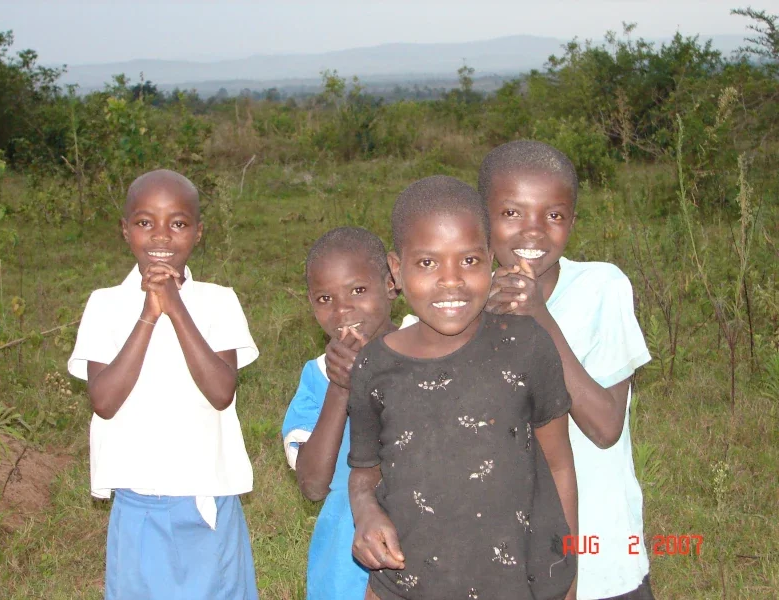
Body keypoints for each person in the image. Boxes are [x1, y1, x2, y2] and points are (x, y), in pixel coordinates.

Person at [348, 175, 578, 600]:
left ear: (491, 260)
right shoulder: (374, 366)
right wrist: (364, 513)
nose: (451, 281)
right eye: (428, 263)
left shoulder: (526, 345)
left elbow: (560, 464)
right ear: (396, 271)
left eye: (469, 261)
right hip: (407, 584)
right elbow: (364, 469)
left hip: (517, 587)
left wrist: (566, 575)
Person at [67, 169, 260, 600]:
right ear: (125, 230)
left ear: (197, 233)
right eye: (144, 222)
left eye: (177, 223)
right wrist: (149, 314)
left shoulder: (218, 301)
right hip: (138, 503)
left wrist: (176, 307)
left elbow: (220, 391)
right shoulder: (105, 305)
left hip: (208, 497)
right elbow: (103, 400)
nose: (161, 236)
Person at [479, 141, 654, 600]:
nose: (533, 232)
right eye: (512, 213)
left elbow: (605, 426)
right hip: (504, 559)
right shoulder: (458, 309)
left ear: (572, 222)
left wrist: (540, 316)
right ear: (483, 219)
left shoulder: (602, 288)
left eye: (553, 215)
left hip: (603, 551)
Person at [282, 227, 398, 600]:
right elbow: (313, 485)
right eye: (324, 298)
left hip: (424, 548)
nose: (342, 309)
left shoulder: (429, 354)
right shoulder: (316, 378)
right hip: (344, 564)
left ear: (391, 283)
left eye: (358, 290)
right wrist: (340, 386)